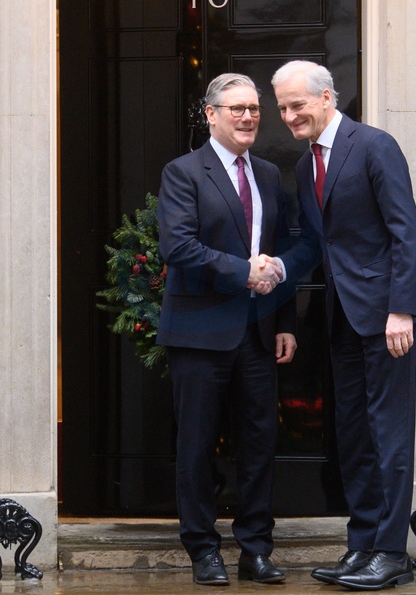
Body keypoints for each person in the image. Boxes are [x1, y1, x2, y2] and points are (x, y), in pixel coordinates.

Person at [270, 60, 416, 591]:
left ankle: (391, 554)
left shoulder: (374, 145)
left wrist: (401, 308)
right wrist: (276, 270)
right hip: (341, 318)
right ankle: (363, 544)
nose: (289, 115)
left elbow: (405, 231)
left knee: (388, 435)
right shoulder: (306, 165)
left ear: (327, 97)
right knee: (353, 435)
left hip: (388, 315)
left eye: (297, 104)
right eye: (283, 108)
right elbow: (317, 243)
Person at [156, 73, 308, 586]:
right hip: (199, 334)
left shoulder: (267, 174)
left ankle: (255, 550)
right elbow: (177, 247)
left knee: (259, 445)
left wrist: (285, 321)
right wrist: (242, 271)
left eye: (254, 109)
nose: (248, 117)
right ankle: (203, 550)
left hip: (259, 334)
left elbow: (281, 249)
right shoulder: (183, 173)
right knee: (197, 446)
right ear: (211, 114)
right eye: (236, 109)